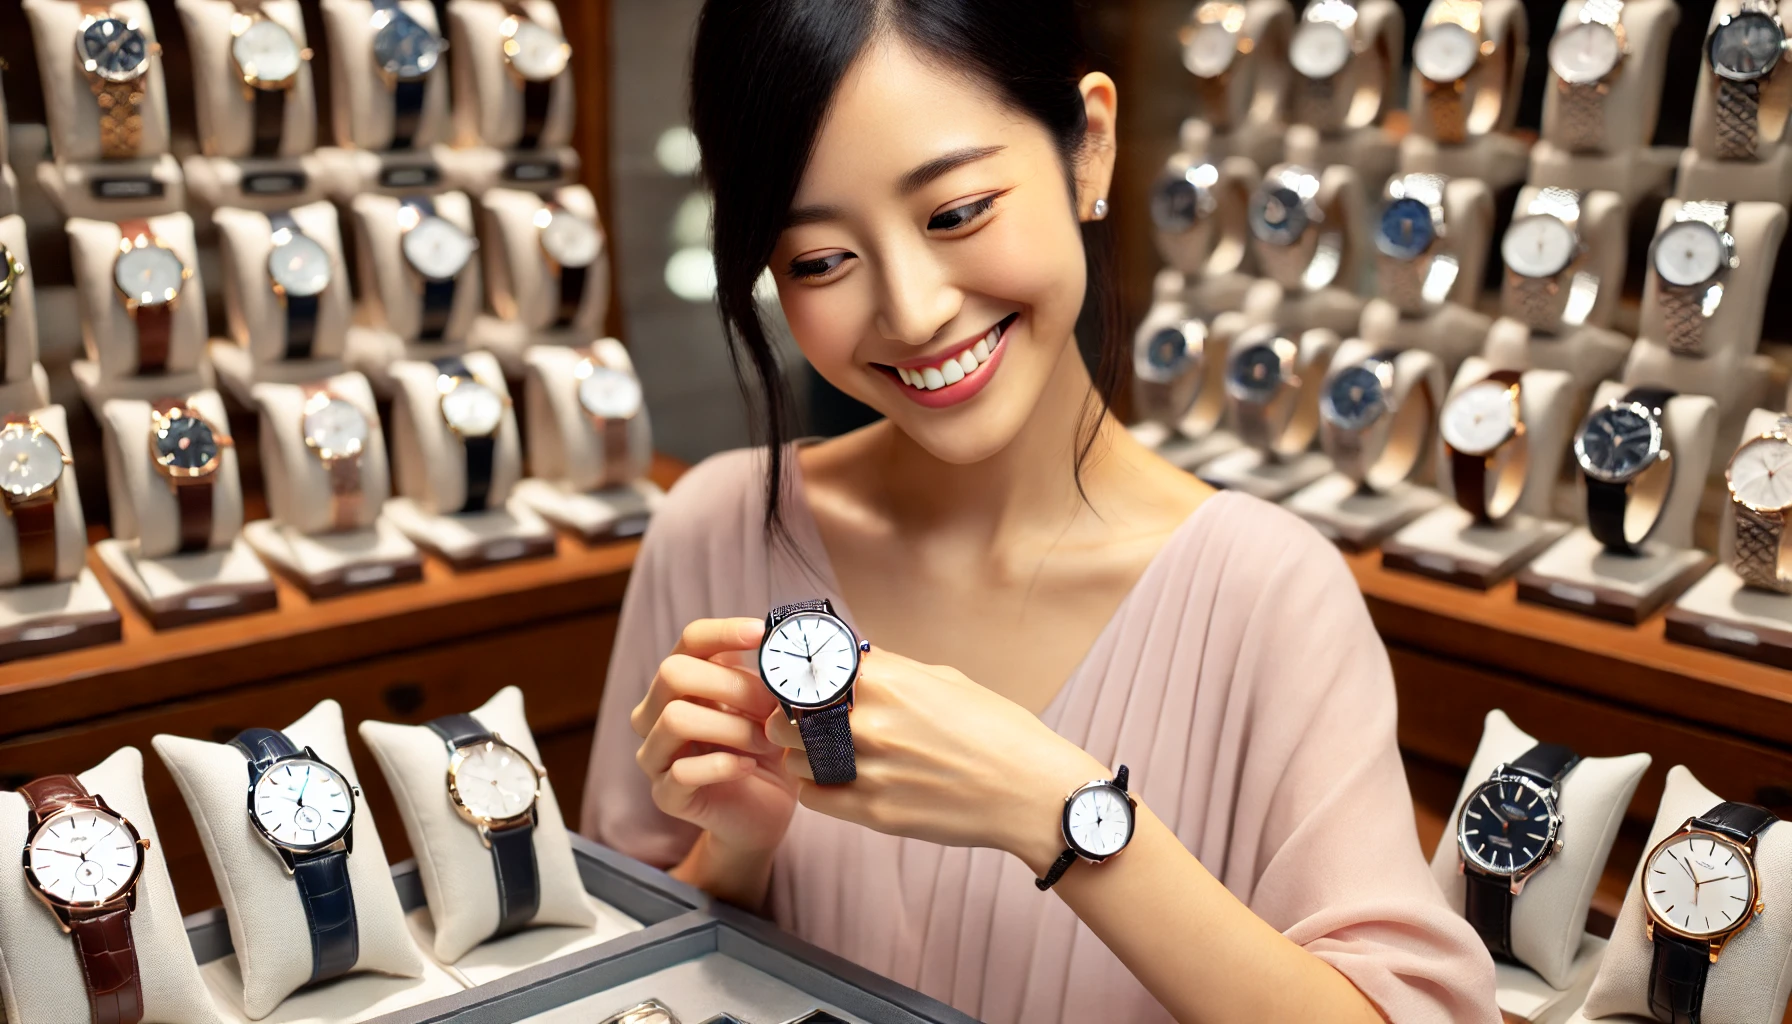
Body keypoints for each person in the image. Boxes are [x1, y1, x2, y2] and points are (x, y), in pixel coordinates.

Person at [584, 2, 1499, 1021]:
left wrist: (1054, 813)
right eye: (819, 261)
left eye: (956, 211)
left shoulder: (1267, 595)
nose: (915, 309)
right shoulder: (714, 528)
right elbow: (618, 971)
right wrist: (741, 846)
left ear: (1087, 148)